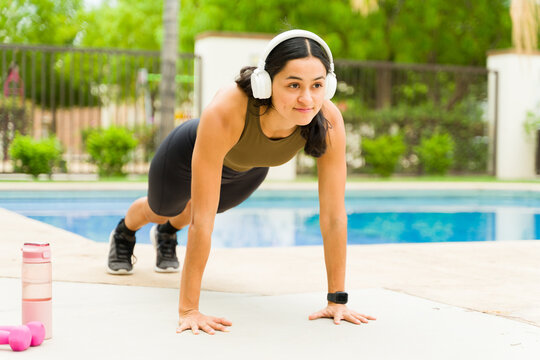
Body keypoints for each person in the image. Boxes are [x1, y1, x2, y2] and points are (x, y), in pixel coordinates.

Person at [106, 29, 376, 334]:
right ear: (266, 82)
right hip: (184, 157)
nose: (307, 98)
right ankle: (125, 233)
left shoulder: (327, 121)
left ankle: (167, 234)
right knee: (164, 208)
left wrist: (337, 300)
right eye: (293, 85)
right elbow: (202, 223)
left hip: (247, 171)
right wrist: (189, 310)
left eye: (317, 85)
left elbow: (333, 216)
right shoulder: (228, 109)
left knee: (193, 211)